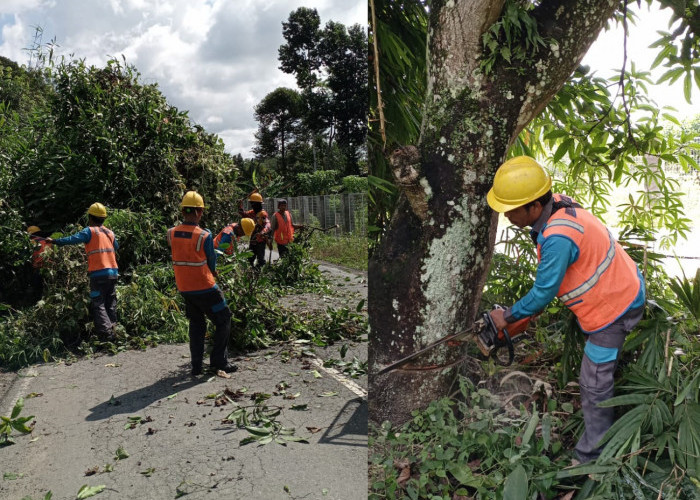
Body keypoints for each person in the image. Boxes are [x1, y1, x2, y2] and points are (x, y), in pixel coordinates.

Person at [486, 156, 645, 464]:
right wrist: (523, 313)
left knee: (594, 382)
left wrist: (505, 317)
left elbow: (544, 292)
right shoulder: (558, 205)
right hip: (623, 285)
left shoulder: (558, 236)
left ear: (533, 205)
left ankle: (592, 459)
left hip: (614, 310)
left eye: (511, 208)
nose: (506, 215)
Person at [168, 191, 237, 376]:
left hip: (185, 288)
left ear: (183, 211)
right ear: (199, 212)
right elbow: (211, 260)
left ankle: (196, 366)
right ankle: (218, 362)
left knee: (197, 324)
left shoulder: (171, 233)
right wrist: (214, 272)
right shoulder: (204, 235)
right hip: (205, 287)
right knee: (224, 318)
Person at [47, 203, 119, 340]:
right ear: (103, 218)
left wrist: (55, 241)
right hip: (113, 273)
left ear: (90, 217)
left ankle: (107, 335)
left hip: (98, 273)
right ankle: (115, 330)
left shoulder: (89, 231)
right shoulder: (110, 233)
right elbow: (116, 246)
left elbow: (72, 239)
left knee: (99, 303)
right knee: (111, 302)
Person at [238, 192, 271, 268]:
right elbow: (243, 214)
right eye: (251, 204)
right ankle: (251, 274)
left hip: (260, 240)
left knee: (260, 259)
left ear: (258, 204)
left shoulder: (263, 214)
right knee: (250, 259)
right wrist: (239, 205)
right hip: (253, 240)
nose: (252, 206)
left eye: (253, 204)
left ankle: (259, 274)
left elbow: (267, 224)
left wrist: (263, 232)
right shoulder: (252, 213)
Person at [27, 225, 51, 301]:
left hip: (38, 269)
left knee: (38, 292)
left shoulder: (30, 243)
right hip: (51, 268)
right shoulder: (49, 241)